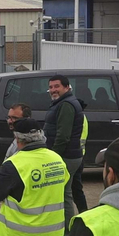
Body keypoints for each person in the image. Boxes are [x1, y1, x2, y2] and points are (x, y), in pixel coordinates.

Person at [44, 74, 89, 215]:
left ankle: (68, 233)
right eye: (50, 87)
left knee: (64, 194)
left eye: (57, 86)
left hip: (66, 156)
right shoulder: (64, 102)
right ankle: (79, 221)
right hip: (72, 155)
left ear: (66, 87)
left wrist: (53, 157)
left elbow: (63, 136)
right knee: (72, 190)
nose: (53, 90)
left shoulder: (66, 105)